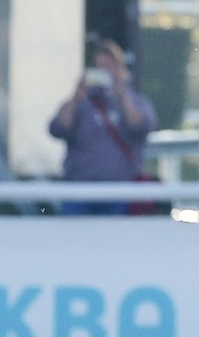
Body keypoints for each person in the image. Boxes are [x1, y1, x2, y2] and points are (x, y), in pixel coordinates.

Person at [48, 37, 156, 213]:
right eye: (99, 68)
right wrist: (75, 96)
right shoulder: (80, 103)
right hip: (78, 193)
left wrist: (122, 94)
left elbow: (141, 127)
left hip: (120, 193)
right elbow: (57, 129)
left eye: (109, 67)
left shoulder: (136, 101)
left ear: (121, 68)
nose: (104, 73)